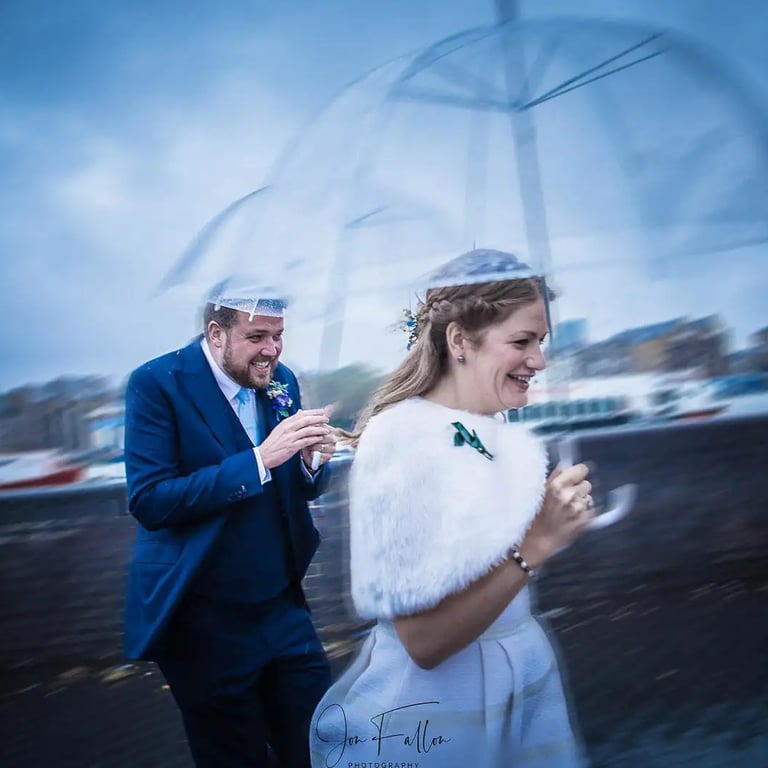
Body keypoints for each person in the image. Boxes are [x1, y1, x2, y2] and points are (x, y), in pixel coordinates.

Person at [310, 249, 595, 768]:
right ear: (459, 340)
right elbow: (423, 641)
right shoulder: (403, 441)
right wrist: (540, 541)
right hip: (442, 717)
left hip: (515, 693)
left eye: (541, 341)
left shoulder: (492, 431)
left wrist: (551, 517)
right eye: (522, 341)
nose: (539, 360)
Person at [123, 286, 337, 768]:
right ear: (215, 333)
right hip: (202, 621)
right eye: (258, 337)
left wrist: (309, 464)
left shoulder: (281, 381)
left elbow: (299, 488)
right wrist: (260, 459)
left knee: (323, 746)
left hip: (283, 610)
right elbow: (150, 499)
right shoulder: (156, 383)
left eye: (279, 336)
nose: (272, 351)